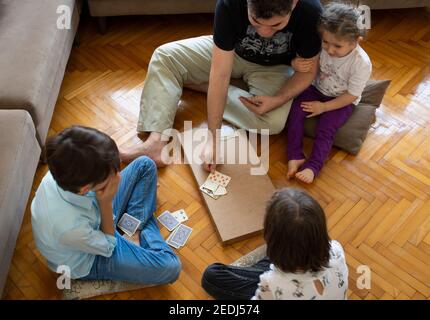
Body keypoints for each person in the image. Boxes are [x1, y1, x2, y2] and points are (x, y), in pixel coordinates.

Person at [121, 0, 322, 172]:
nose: (264, 33)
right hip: (230, 53)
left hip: (274, 68)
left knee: (273, 122)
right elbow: (221, 72)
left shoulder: (311, 12)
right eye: (255, 21)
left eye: (276, 25)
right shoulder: (230, 3)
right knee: (165, 56)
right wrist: (213, 140)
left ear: (294, 3)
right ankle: (156, 143)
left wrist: (277, 99)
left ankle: (207, 88)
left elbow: (308, 72)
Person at [31, 126, 181, 284]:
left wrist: (107, 191)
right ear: (86, 188)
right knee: (171, 267)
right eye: (111, 176)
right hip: (88, 259)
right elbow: (109, 245)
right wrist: (106, 202)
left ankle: (134, 231)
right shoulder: (69, 227)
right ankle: (140, 222)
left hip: (92, 221)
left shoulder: (64, 169)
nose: (118, 178)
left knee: (145, 164)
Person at [201, 188, 348, 300]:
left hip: (282, 286)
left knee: (211, 276)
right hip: (302, 276)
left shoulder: (271, 284)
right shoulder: (336, 249)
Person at [286, 2, 372, 183]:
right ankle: (295, 155)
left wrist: (324, 107)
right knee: (294, 113)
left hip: (341, 100)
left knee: (325, 130)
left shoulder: (361, 63)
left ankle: (314, 166)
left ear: (356, 41)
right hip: (315, 88)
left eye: (338, 46)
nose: (330, 50)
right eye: (326, 42)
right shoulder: (320, 44)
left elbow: (352, 95)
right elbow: (305, 63)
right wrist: (294, 63)